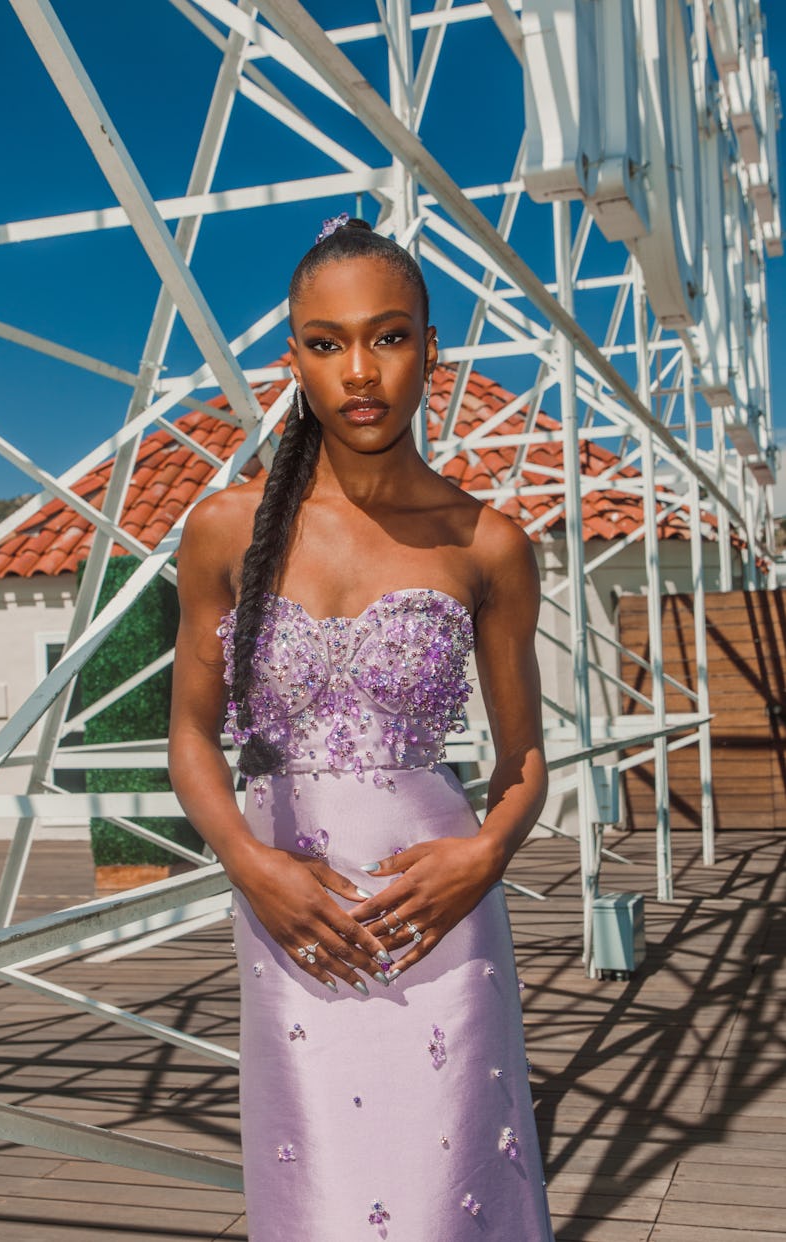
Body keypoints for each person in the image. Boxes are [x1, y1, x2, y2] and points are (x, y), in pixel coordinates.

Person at [169, 215, 554, 1241]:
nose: (360, 371)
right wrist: (252, 865)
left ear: (432, 348)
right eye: (327, 343)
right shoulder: (222, 528)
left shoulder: (490, 543)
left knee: (447, 1195)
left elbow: (523, 756)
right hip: (292, 912)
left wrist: (484, 854)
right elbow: (192, 737)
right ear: (291, 359)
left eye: (387, 336)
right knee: (325, 1193)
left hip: (440, 909)